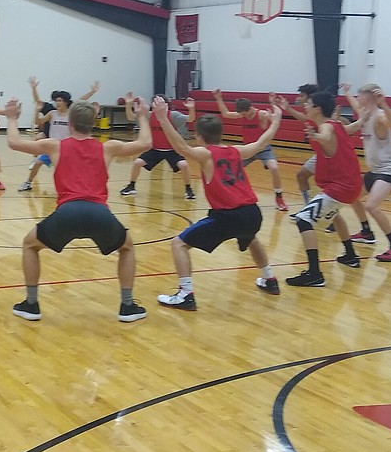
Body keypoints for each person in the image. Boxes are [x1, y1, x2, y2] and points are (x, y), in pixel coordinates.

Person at [5, 96, 153, 322]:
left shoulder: (55, 146)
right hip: (99, 212)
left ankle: (31, 304)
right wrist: (142, 117)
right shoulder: (108, 148)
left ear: (70, 124)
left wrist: (12, 118)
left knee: (29, 244)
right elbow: (145, 144)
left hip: (67, 212)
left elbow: (14, 142)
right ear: (93, 123)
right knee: (127, 247)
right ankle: (127, 306)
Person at [152, 98, 284, 308]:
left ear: (199, 135)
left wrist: (162, 118)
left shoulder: (206, 154)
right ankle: (269, 279)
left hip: (228, 216)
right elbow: (261, 143)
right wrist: (276, 122)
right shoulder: (236, 151)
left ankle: (185, 294)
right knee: (250, 237)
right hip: (253, 213)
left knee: (179, 243)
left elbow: (181, 147)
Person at [285, 92, 364, 287]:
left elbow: (326, 134)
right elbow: (351, 127)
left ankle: (314, 273)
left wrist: (317, 136)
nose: (305, 106)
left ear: (317, 108)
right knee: (334, 215)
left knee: (303, 220)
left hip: (340, 187)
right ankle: (351, 255)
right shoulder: (336, 124)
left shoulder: (327, 127)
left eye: (308, 104)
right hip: (348, 186)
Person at [342, 84, 391, 262]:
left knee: (371, 206)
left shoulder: (379, 116)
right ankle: (366, 232)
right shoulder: (365, 114)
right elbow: (355, 106)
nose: (356, 99)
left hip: (389, 171)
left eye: (358, 96)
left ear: (367, 97)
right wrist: (346, 92)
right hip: (375, 170)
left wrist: (384, 103)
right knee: (352, 196)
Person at [19, 77, 99, 191]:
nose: (57, 103)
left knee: (68, 169)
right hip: (52, 146)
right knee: (37, 163)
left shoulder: (71, 113)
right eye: (56, 101)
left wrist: (92, 91)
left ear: (66, 102)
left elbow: (81, 100)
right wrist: (36, 111)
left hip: (67, 147)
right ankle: (28, 183)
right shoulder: (52, 113)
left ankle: (75, 187)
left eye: (60, 101)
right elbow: (39, 122)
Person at [213, 88, 287, 211]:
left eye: (243, 114)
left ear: (249, 109)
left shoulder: (261, 114)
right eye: (241, 114)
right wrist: (218, 98)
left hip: (263, 148)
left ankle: (279, 197)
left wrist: (272, 103)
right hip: (247, 149)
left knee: (274, 168)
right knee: (229, 169)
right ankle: (230, 196)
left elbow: (275, 117)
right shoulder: (242, 113)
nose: (241, 116)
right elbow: (225, 114)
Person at [119, 92, 196, 199]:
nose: (158, 106)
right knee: (137, 163)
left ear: (166, 105)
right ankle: (131, 186)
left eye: (161, 103)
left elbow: (190, 119)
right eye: (156, 103)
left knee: (184, 165)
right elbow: (131, 117)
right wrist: (128, 104)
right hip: (154, 149)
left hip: (172, 149)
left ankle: (188, 189)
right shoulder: (150, 115)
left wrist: (191, 108)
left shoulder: (173, 115)